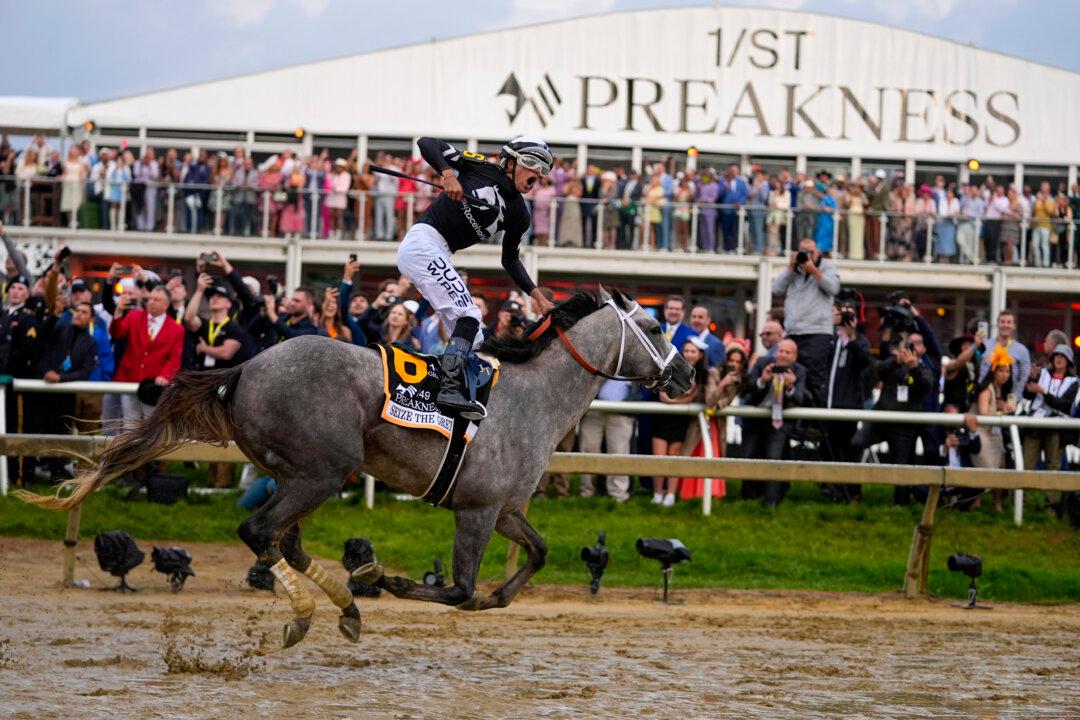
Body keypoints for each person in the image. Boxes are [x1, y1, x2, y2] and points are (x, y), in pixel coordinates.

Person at [396, 136, 555, 419]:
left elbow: (510, 260)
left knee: (476, 337)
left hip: (440, 252)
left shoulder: (520, 214)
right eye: (532, 164)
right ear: (510, 162)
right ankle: (448, 390)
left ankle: (439, 396)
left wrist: (538, 297)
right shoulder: (482, 167)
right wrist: (448, 175)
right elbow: (426, 143)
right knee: (469, 315)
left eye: (542, 170)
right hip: (424, 241)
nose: (538, 174)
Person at [771, 238, 840, 405]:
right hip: (793, 332)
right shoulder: (795, 270)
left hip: (817, 332)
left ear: (818, 252)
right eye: (804, 251)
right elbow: (776, 289)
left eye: (811, 252)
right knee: (790, 372)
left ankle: (815, 416)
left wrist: (813, 270)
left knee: (814, 377)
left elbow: (834, 288)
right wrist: (790, 268)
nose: (807, 255)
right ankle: (793, 410)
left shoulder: (827, 267)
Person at [740, 338, 807, 507]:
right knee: (749, 455)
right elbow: (746, 388)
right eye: (781, 351)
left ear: (794, 357)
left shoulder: (799, 371)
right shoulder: (763, 363)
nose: (782, 355)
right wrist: (762, 380)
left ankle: (771, 502)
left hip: (779, 421)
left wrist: (790, 386)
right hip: (755, 417)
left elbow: (799, 398)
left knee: (774, 458)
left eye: (787, 352)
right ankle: (748, 497)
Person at [110, 285, 185, 422]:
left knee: (150, 425)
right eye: (150, 298)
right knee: (129, 425)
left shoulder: (177, 329)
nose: (151, 302)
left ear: (166, 304)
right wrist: (119, 311)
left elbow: (174, 359)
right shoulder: (134, 316)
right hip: (129, 379)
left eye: (156, 299)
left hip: (153, 386)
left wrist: (165, 375)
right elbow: (117, 333)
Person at [650, 338, 706, 506]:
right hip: (662, 419)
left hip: (681, 422)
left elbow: (694, 395)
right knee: (658, 459)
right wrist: (685, 399)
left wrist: (678, 399)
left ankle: (671, 495)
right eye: (686, 350)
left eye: (693, 351)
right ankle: (657, 494)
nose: (689, 354)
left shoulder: (702, 375)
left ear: (700, 355)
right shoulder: (670, 369)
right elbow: (663, 396)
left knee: (675, 459)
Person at [972, 346, 1017, 512]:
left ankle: (997, 504)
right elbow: (983, 412)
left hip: (996, 435)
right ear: (994, 371)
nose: (1004, 374)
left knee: (1000, 467)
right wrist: (1001, 412)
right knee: (983, 468)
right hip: (983, 434)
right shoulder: (986, 389)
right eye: (1001, 371)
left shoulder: (1004, 391)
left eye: (1007, 371)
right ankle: (976, 501)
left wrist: (1005, 408)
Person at [577, 379, 636, 502]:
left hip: (621, 413)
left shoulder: (635, 368)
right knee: (588, 451)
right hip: (593, 410)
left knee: (619, 454)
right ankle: (587, 492)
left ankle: (618, 495)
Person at [1022, 344, 1077, 473]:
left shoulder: (1074, 382)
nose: (1059, 358)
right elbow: (1027, 395)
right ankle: (1024, 487)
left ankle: (1051, 488)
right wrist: (1031, 378)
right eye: (1057, 355)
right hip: (1035, 424)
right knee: (1026, 465)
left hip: (1056, 428)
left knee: (1053, 468)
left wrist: (1044, 392)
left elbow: (1065, 406)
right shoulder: (1042, 373)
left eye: (1063, 356)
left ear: (1068, 361)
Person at [978, 310, 1030, 392]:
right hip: (985, 394)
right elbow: (976, 367)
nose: (1005, 325)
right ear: (997, 324)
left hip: (1009, 396)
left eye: (1009, 322)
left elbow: (1025, 376)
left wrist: (1016, 396)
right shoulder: (984, 345)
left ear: (1014, 326)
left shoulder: (1022, 350)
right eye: (1002, 322)